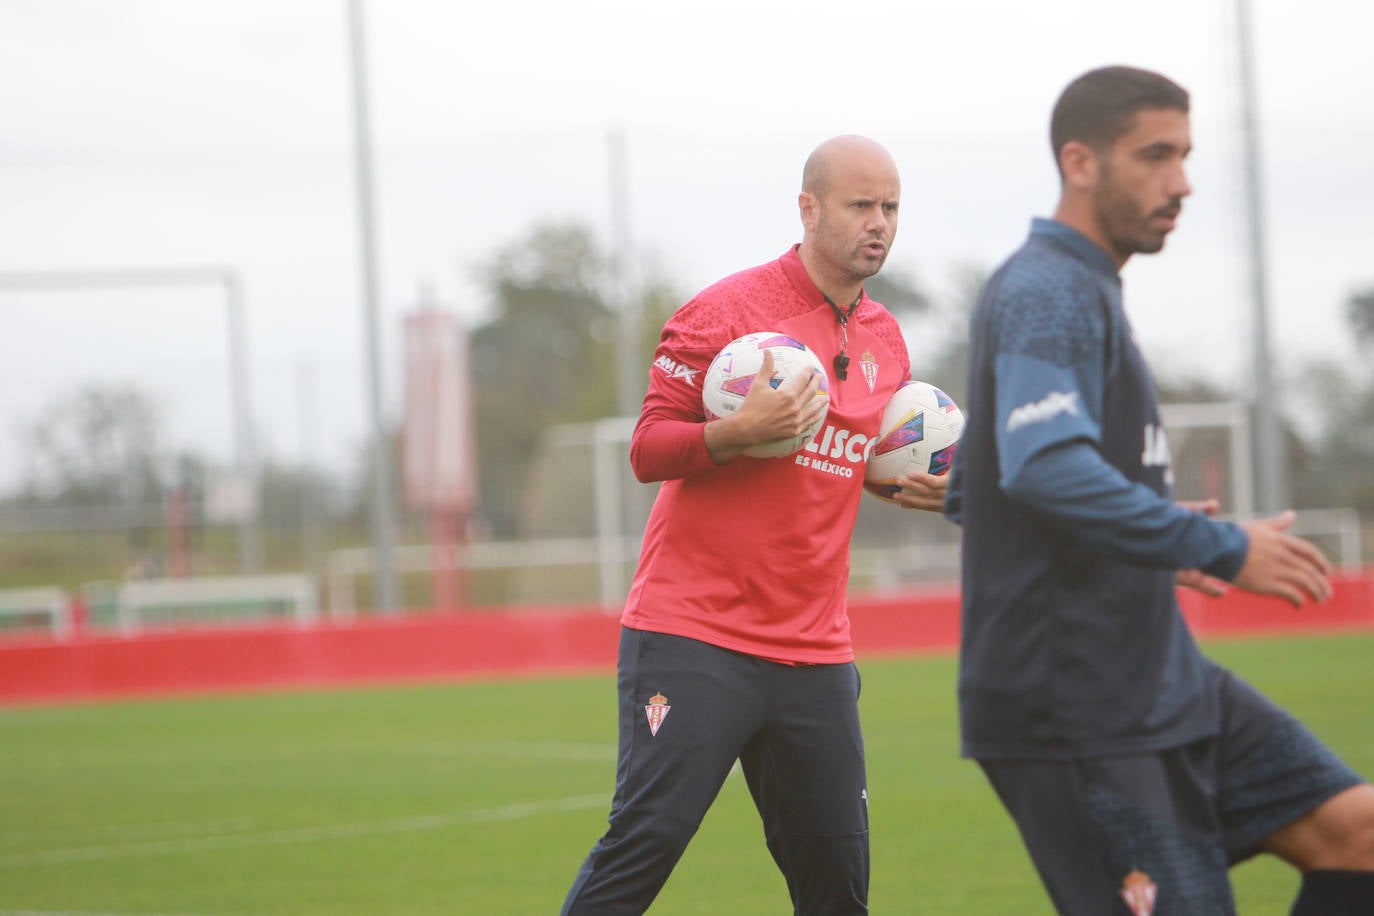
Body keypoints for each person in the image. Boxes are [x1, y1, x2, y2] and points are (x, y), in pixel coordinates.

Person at [943, 65, 1374, 914]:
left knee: (1357, 835)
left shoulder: (1086, 286)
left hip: (1162, 681)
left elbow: (974, 489)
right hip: (1078, 707)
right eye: (1155, 155)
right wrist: (1218, 546)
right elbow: (1038, 469)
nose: (1181, 182)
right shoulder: (1048, 288)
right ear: (1080, 162)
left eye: (1184, 155)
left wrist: (1150, 532)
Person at [560, 134, 946, 915]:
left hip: (814, 651)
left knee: (837, 885)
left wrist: (910, 483)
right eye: (860, 205)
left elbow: (840, 461)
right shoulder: (728, 313)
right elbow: (647, 449)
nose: (880, 222)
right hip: (694, 636)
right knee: (645, 846)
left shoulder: (888, 341)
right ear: (808, 209)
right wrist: (733, 433)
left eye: (892, 207)